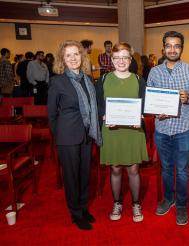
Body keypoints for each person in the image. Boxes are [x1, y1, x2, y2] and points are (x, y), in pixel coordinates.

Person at [147, 31, 189, 226]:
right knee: (166, 168)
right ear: (163, 48)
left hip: (183, 128)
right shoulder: (154, 72)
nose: (172, 49)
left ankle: (181, 205)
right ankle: (168, 199)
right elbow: (149, 100)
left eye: (176, 46)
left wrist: (188, 98)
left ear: (182, 48)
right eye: (168, 46)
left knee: (182, 170)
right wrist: (155, 112)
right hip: (162, 128)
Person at [47, 40, 102, 230]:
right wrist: (60, 136)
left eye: (76, 54)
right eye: (68, 55)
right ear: (62, 59)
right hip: (67, 137)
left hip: (87, 134)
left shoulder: (88, 79)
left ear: (82, 56)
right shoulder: (57, 81)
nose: (73, 58)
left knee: (85, 174)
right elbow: (52, 115)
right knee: (71, 177)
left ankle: (83, 207)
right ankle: (75, 213)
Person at [95, 42, 148, 222]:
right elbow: (98, 105)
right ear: (111, 59)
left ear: (130, 59)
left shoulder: (139, 80)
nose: (121, 61)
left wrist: (140, 117)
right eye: (117, 58)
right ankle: (117, 202)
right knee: (115, 169)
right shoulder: (102, 80)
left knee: (134, 169)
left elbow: (144, 105)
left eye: (125, 57)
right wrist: (103, 115)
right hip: (112, 130)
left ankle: (135, 203)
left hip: (133, 131)